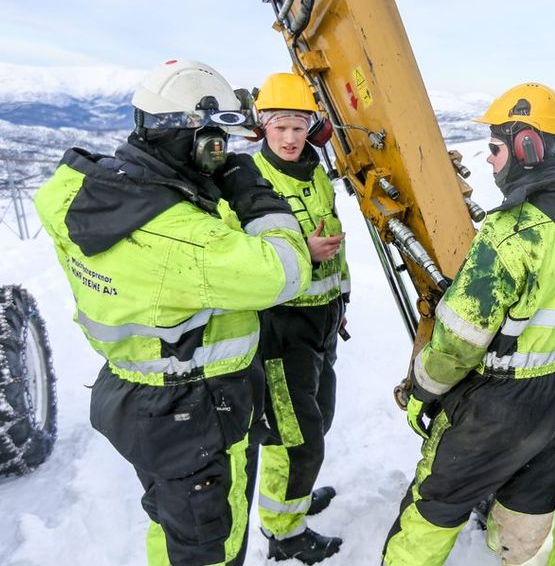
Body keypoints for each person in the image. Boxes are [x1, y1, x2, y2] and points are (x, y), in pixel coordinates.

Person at [34, 58, 314, 566]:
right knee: (211, 548)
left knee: (172, 523)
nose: (225, 146)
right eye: (219, 134)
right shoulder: (181, 236)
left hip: (136, 397)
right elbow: (285, 271)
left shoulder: (87, 196)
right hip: (195, 411)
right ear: (196, 136)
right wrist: (254, 194)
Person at [382, 82, 555, 566]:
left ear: (526, 148)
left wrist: (422, 389)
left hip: (501, 404)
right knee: (529, 509)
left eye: (495, 148)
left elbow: (458, 343)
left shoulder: (510, 233)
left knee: (434, 506)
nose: (489, 160)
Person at [219, 72, 348, 563]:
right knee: (293, 437)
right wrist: (304, 253)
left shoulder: (314, 170)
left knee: (318, 419)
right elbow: (243, 255)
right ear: (263, 128)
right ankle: (283, 532)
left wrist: (341, 301)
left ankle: (295, 496)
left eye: (299, 127)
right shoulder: (250, 179)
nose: (291, 138)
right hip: (280, 324)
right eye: (280, 128)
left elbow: (332, 238)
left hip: (322, 319)